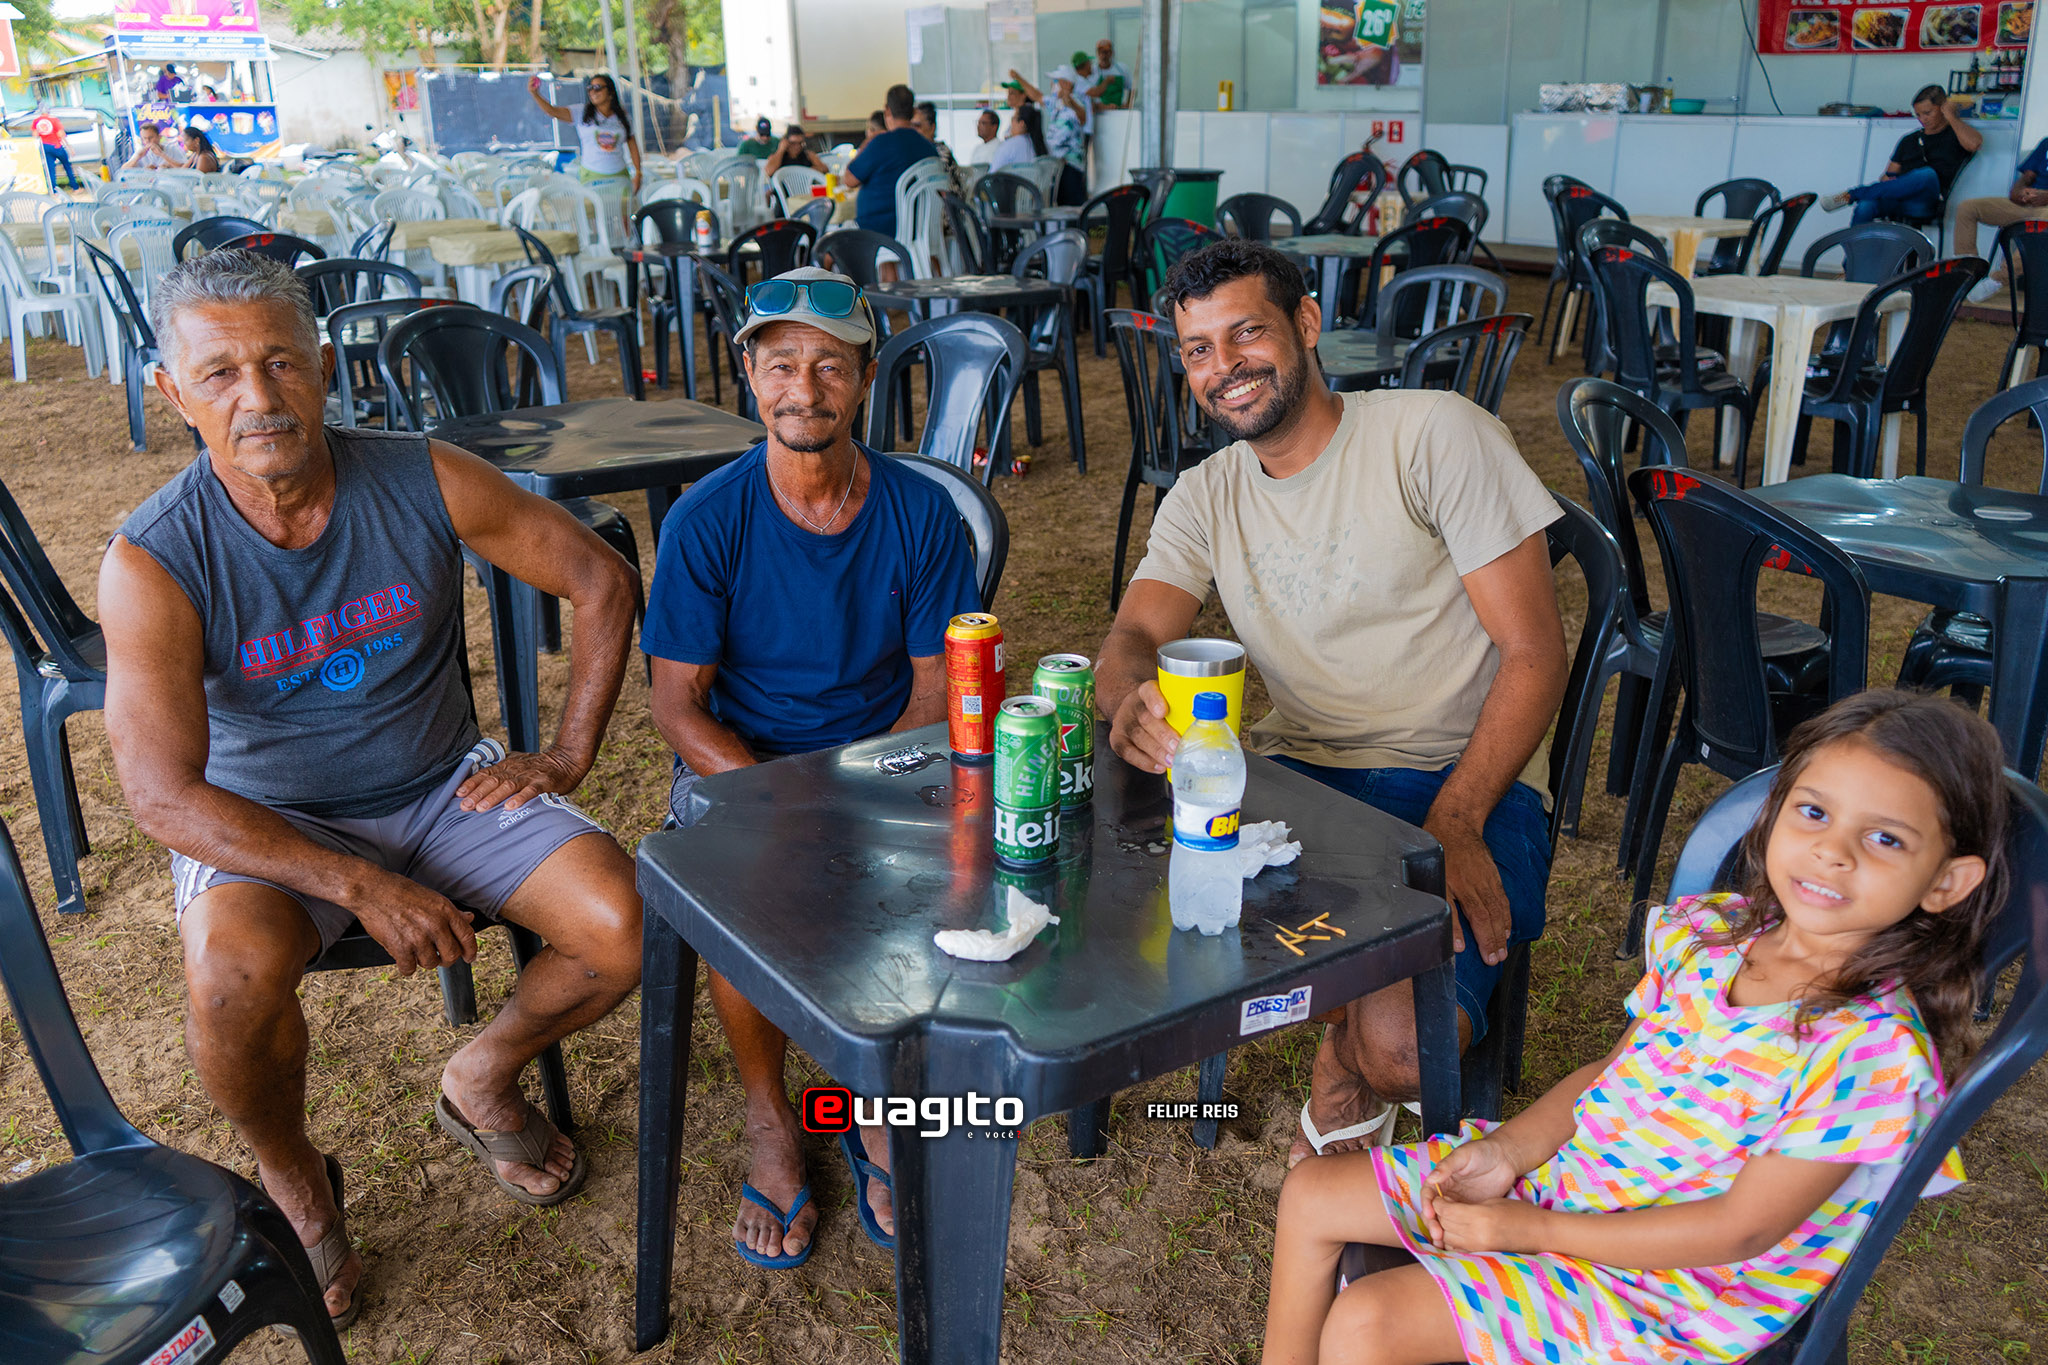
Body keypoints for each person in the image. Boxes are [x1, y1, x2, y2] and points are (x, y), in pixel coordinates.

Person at [98, 251, 645, 1329]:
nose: (258, 397)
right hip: (271, 822)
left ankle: (480, 1075)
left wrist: (567, 753)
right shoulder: (154, 558)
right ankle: (297, 1181)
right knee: (227, 984)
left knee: (622, 923)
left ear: (323, 364)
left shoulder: (419, 475)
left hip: (444, 784)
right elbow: (161, 798)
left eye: (280, 362)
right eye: (218, 374)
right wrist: (358, 884)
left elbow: (600, 577)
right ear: (172, 393)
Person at [1261, 689, 2003, 1365]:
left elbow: (1740, 1229)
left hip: (1669, 1284)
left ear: (1947, 882)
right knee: (1312, 1194)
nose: (1833, 851)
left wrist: (1530, 1233)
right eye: (1814, 812)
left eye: (1885, 839)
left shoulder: (1871, 1051)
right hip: (1576, 1183)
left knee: (1366, 1326)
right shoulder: (1716, 937)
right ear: (1776, 811)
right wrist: (1506, 1152)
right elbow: (1610, 1074)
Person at [1096, 241, 1567, 1169]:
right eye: (1198, 349)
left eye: (1247, 333)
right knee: (1113, 916)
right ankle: (1347, 991)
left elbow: (1536, 653)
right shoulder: (1205, 494)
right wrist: (1129, 699)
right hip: (1299, 781)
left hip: (1462, 775)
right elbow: (1133, 636)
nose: (1225, 367)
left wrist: (1458, 821)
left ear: (1306, 324)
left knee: (1401, 1054)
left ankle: (1343, 1065)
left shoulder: (1433, 434)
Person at [642, 266, 981, 1267]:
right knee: (744, 890)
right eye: (781, 363)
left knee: (924, 881)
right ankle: (769, 1114)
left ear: (866, 377)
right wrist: (785, 804)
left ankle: (868, 1100)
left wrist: (866, 792)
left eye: (830, 364)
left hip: (883, 753)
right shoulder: (707, 517)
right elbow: (676, 705)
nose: (804, 387)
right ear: (750, 375)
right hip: (743, 760)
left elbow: (935, 686)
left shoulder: (920, 512)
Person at [1821, 85, 1982, 225]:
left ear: (1942, 108)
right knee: (1865, 205)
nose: (1923, 119)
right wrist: (1891, 181)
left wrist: (1951, 116)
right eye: (1918, 115)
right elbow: (1887, 176)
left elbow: (1975, 143)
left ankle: (1850, 195)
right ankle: (1855, 252)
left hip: (1926, 202)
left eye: (1927, 113)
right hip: (1900, 198)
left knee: (1926, 174)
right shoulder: (1909, 140)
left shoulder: (1955, 134)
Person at [1957, 133, 2048, 301]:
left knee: (2043, 223)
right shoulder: (2046, 143)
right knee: (1968, 208)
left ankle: (1998, 280)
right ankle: (1967, 275)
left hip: (2046, 211)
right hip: (2027, 203)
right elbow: (2027, 176)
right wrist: (2018, 191)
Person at [842, 84, 938, 240]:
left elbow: (849, 180)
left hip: (877, 232)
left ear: (887, 111)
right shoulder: (929, 148)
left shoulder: (880, 143)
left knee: (828, 244)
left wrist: (866, 143)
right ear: (913, 112)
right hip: (918, 231)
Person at [527, 70, 642, 197]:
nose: (593, 91)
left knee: (623, 209)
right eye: (590, 88)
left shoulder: (623, 117)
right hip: (592, 175)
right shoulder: (581, 112)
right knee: (592, 209)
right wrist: (535, 94)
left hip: (619, 175)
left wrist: (638, 172)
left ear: (610, 92)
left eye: (597, 87)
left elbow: (632, 145)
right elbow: (552, 111)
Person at [1011, 65, 1089, 204]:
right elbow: (1037, 96)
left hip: (1071, 166)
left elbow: (1083, 117)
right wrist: (1018, 78)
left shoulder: (1079, 99)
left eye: (1055, 81)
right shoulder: (1055, 103)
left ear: (1066, 83)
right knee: (1058, 204)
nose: (1052, 84)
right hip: (1056, 165)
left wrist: (1070, 101)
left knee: (1072, 206)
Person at [31, 107, 82, 191]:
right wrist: (69, 147)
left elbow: (35, 135)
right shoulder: (54, 120)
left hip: (45, 146)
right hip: (56, 145)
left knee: (50, 169)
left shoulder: (36, 121)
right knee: (67, 166)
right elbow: (61, 134)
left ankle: (53, 190)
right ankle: (75, 187)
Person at [987, 103, 1046, 173]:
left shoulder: (1009, 145)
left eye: (1013, 119)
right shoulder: (1042, 145)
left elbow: (992, 174)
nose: (1010, 124)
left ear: (1021, 123)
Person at [763, 123, 828, 179]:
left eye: (800, 143)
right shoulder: (777, 157)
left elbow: (825, 169)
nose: (797, 147)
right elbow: (768, 172)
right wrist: (781, 150)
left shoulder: (809, 155)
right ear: (786, 142)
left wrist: (809, 170)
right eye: (793, 143)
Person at [124, 121, 189, 171]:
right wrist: (138, 157)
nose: (147, 141)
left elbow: (185, 168)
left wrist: (162, 155)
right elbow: (123, 170)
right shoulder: (140, 152)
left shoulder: (173, 149)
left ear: (159, 137)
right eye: (144, 138)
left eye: (150, 137)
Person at [1091, 38, 1132, 109]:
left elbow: (1132, 88)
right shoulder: (1092, 71)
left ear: (1112, 53)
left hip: (1118, 110)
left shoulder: (1122, 69)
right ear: (1097, 53)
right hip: (1099, 112)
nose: (1103, 56)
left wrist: (1128, 104)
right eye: (1100, 52)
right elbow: (1088, 93)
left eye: (1106, 52)